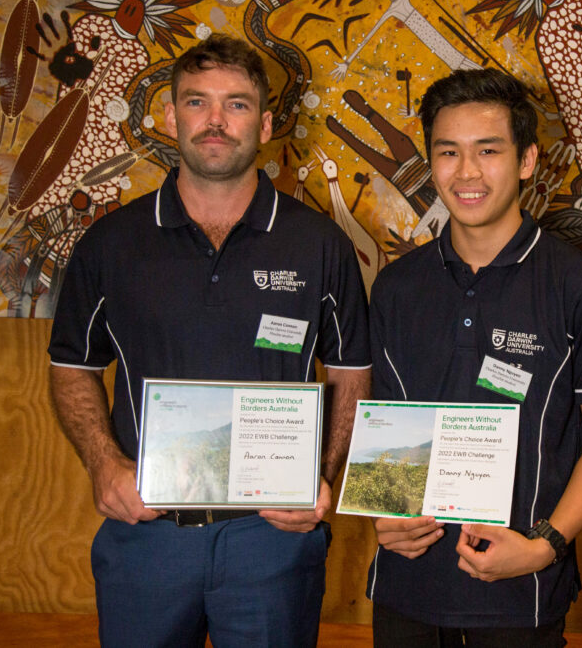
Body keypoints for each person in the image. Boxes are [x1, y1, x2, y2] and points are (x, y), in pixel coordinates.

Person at [47, 34, 371, 647]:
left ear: (267, 122)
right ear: (170, 116)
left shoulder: (319, 245)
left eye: (238, 104)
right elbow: (72, 366)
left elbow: (351, 372)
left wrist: (321, 480)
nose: (216, 121)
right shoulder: (111, 244)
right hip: (148, 530)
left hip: (272, 536)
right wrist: (103, 463)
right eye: (197, 103)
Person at [364, 68, 582, 646]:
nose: (467, 173)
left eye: (488, 151)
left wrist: (547, 543)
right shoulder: (395, 287)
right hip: (407, 584)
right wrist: (384, 517)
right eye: (448, 152)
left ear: (527, 160)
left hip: (522, 587)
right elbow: (387, 418)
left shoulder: (581, 288)